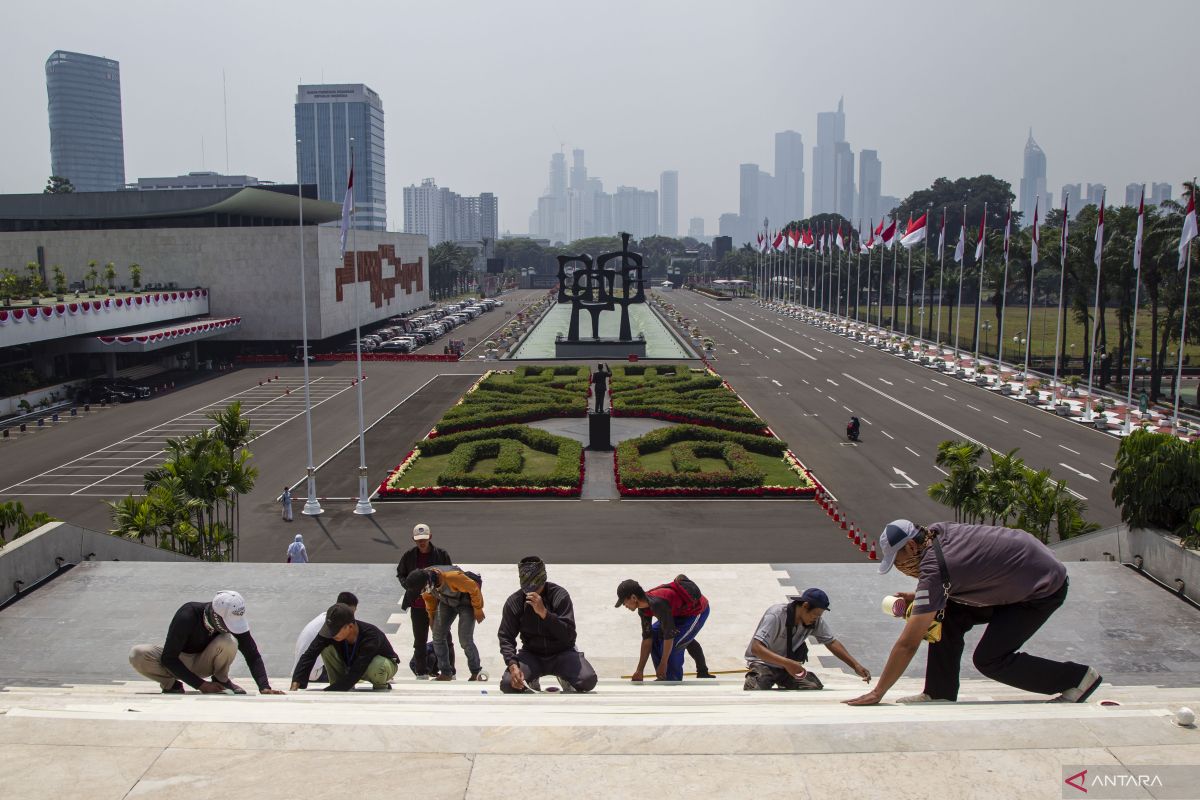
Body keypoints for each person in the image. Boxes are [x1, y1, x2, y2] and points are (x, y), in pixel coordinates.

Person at [846, 519, 1102, 707]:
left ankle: (1077, 678)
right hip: (1022, 568)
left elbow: (908, 643)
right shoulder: (937, 531)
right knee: (947, 617)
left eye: (897, 560)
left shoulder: (936, 571)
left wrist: (878, 692)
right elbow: (968, 565)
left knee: (990, 659)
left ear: (912, 547)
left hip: (1041, 588)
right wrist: (921, 597)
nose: (900, 567)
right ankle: (939, 693)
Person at [129, 590, 284, 695]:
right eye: (227, 622)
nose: (231, 626)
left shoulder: (234, 620)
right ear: (215, 615)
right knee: (138, 654)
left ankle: (221, 680)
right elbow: (169, 658)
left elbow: (252, 654)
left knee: (229, 640)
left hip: (205, 662)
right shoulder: (187, 615)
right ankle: (171, 685)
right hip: (178, 661)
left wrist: (264, 687)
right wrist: (201, 685)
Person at [498, 556, 597, 694]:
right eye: (527, 588)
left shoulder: (559, 596)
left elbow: (569, 636)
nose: (531, 592)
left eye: (536, 587)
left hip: (562, 652)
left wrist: (545, 613)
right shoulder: (515, 602)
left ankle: (565, 677)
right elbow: (506, 637)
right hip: (532, 654)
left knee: (587, 681)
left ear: (543, 580)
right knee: (509, 684)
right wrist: (513, 665)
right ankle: (531, 678)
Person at [744, 588, 871, 691]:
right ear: (805, 606)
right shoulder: (776, 615)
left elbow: (831, 642)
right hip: (764, 663)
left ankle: (783, 679)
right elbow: (756, 648)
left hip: (788, 667)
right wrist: (787, 663)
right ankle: (756, 678)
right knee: (757, 686)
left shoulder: (814, 621)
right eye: (815, 614)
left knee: (813, 686)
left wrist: (855, 665)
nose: (815, 619)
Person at [615, 575, 710, 682]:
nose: (624, 605)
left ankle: (673, 679)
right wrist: (639, 670)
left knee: (675, 644)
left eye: (624, 602)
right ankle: (663, 677)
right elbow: (647, 639)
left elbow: (669, 636)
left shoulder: (657, 604)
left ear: (633, 598)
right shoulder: (643, 609)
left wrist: (663, 663)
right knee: (656, 636)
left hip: (696, 612)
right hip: (676, 613)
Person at [290, 602, 399, 691]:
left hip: (380, 665)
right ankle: (338, 683)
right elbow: (310, 653)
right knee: (326, 648)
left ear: (350, 626)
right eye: (330, 630)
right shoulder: (332, 632)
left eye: (336, 631)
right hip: (353, 665)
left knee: (377, 665)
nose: (332, 635)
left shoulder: (370, 636)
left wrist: (328, 691)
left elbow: (358, 670)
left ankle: (381, 685)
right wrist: (296, 682)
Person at [405, 564, 486, 681]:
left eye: (423, 589)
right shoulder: (425, 582)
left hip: (465, 602)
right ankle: (446, 673)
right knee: (437, 636)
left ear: (428, 581)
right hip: (447, 602)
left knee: (465, 639)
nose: (423, 592)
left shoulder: (452, 577)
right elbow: (429, 600)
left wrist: (478, 609)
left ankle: (476, 671)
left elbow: (474, 588)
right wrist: (432, 618)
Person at [396, 523, 453, 678]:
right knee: (420, 640)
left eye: (424, 539)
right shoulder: (409, 556)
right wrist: (410, 587)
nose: (421, 542)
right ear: (414, 539)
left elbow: (450, 573)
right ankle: (421, 672)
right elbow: (400, 573)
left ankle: (450, 670)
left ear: (430, 537)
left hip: (439, 604)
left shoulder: (441, 554)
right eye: (418, 539)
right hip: (418, 605)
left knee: (444, 636)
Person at [294, 591, 358, 683]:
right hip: (314, 672)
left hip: (303, 670)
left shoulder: (327, 617)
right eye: (352, 612)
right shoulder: (333, 624)